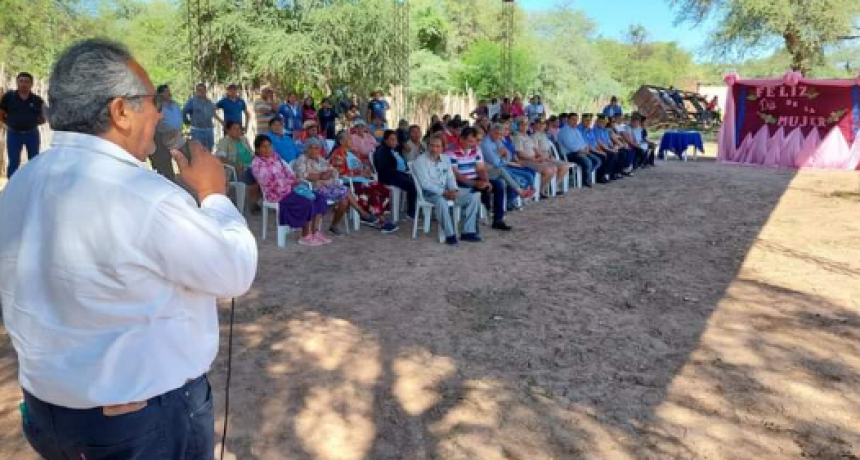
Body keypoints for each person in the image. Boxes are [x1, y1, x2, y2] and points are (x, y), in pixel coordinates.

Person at [0, 38, 257, 460]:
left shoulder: (20, 185)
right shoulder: (144, 196)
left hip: (47, 414)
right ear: (120, 111)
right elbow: (234, 270)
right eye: (152, 100)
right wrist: (214, 195)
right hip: (137, 422)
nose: (159, 111)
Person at [251, 134, 330, 246]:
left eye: (269, 146)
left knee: (320, 198)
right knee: (306, 201)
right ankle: (305, 235)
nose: (267, 149)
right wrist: (289, 184)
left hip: (290, 188)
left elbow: (289, 172)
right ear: (257, 149)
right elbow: (268, 182)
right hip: (276, 194)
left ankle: (315, 231)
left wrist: (294, 181)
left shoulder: (276, 158)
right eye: (264, 147)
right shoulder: (257, 164)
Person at [413, 135, 482, 245]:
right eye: (432, 146)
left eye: (438, 146)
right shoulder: (420, 161)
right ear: (427, 146)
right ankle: (450, 234)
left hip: (447, 190)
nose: (434, 149)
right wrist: (444, 193)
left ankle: (468, 232)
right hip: (429, 193)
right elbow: (425, 184)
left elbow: (450, 177)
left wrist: (454, 190)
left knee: (474, 196)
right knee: (441, 201)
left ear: (442, 148)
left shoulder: (445, 158)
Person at [329, 130, 399, 233]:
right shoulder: (338, 153)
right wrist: (359, 173)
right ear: (341, 141)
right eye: (348, 139)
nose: (351, 140)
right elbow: (340, 172)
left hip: (360, 180)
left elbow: (361, 165)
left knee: (382, 188)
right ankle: (377, 220)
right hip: (348, 182)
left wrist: (366, 170)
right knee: (372, 190)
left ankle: (380, 217)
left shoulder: (352, 152)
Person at [448, 127, 512, 231]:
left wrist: (486, 181)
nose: (473, 144)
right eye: (470, 141)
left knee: (499, 184)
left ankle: (498, 220)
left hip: (474, 178)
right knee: (479, 188)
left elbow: (481, 169)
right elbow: (456, 175)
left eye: (475, 141)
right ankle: (483, 209)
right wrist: (475, 183)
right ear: (461, 139)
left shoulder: (476, 149)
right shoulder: (451, 152)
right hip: (458, 182)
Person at [293, 138, 353, 237]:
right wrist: (321, 175)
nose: (314, 150)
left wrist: (328, 173)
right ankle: (362, 213)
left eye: (316, 148)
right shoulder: (302, 159)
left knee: (345, 201)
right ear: (306, 149)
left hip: (328, 186)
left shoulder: (320, 159)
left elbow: (333, 170)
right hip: (315, 189)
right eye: (311, 148)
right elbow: (303, 176)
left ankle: (334, 225)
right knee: (345, 194)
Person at [0, 72, 46, 178]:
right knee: (14, 162)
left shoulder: (37, 100)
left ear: (31, 84)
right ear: (17, 82)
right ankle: (11, 188)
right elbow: (1, 113)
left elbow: (43, 118)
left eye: (27, 82)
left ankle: (31, 185)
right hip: (14, 135)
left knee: (34, 161)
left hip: (32, 135)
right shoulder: (8, 97)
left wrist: (32, 123)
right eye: (21, 81)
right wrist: (8, 123)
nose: (23, 84)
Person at [480, 123, 535, 203]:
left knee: (525, 174)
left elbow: (508, 156)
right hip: (488, 171)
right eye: (496, 133)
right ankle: (519, 193)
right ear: (490, 131)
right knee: (503, 171)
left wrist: (502, 156)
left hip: (501, 167)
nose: (498, 136)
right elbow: (496, 162)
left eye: (500, 134)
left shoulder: (497, 141)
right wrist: (500, 154)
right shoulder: (485, 144)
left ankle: (519, 194)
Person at [373, 130, 417, 220]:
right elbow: (384, 168)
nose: (394, 142)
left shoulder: (391, 150)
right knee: (411, 185)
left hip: (394, 174)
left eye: (395, 139)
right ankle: (411, 212)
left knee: (414, 181)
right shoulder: (382, 151)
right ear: (385, 140)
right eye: (391, 139)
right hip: (387, 177)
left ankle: (413, 209)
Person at [521, 117, 567, 194]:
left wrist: (550, 155)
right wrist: (545, 157)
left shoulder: (544, 135)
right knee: (553, 168)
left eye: (543, 124)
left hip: (548, 157)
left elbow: (547, 149)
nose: (542, 125)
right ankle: (541, 189)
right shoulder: (534, 136)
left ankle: (554, 186)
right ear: (535, 125)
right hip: (542, 158)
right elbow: (536, 151)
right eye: (539, 124)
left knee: (565, 166)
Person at [557, 113, 599, 187]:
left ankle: (583, 177)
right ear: (568, 120)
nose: (575, 121)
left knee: (597, 161)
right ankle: (585, 181)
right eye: (573, 119)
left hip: (580, 151)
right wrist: (581, 151)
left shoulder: (576, 130)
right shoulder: (564, 131)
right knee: (588, 162)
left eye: (576, 120)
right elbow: (570, 146)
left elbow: (583, 142)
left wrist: (585, 149)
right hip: (569, 154)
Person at [151, 84, 181, 181]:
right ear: (160, 94)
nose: (169, 93)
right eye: (166, 91)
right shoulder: (156, 105)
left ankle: (170, 179)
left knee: (168, 158)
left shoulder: (174, 104)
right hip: (158, 136)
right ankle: (162, 179)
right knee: (160, 159)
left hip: (173, 137)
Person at [183, 83, 221, 151]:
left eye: (203, 90)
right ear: (196, 91)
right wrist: (187, 124)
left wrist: (221, 122)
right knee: (198, 151)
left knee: (209, 150)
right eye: (199, 90)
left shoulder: (209, 102)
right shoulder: (192, 101)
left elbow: (213, 113)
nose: (201, 92)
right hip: (197, 130)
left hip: (209, 130)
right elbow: (184, 112)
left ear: (205, 91)